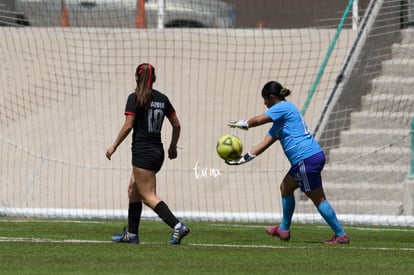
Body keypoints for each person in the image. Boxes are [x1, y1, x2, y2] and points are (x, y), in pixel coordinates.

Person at [227, 80, 349, 245]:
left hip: (305, 159)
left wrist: (242, 123)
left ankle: (340, 234)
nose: (264, 104)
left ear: (271, 97)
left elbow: (258, 120)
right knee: (286, 187)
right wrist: (241, 160)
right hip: (308, 158)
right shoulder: (280, 123)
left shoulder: (284, 107)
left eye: (265, 100)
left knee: (318, 199)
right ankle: (283, 229)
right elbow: (263, 144)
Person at [106, 63, 189, 245]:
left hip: (142, 152)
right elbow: (176, 124)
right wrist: (173, 146)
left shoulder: (134, 97)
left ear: (136, 77)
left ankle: (177, 226)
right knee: (133, 190)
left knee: (148, 195)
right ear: (154, 79)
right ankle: (132, 234)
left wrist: (114, 146)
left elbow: (128, 125)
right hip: (157, 152)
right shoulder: (163, 99)